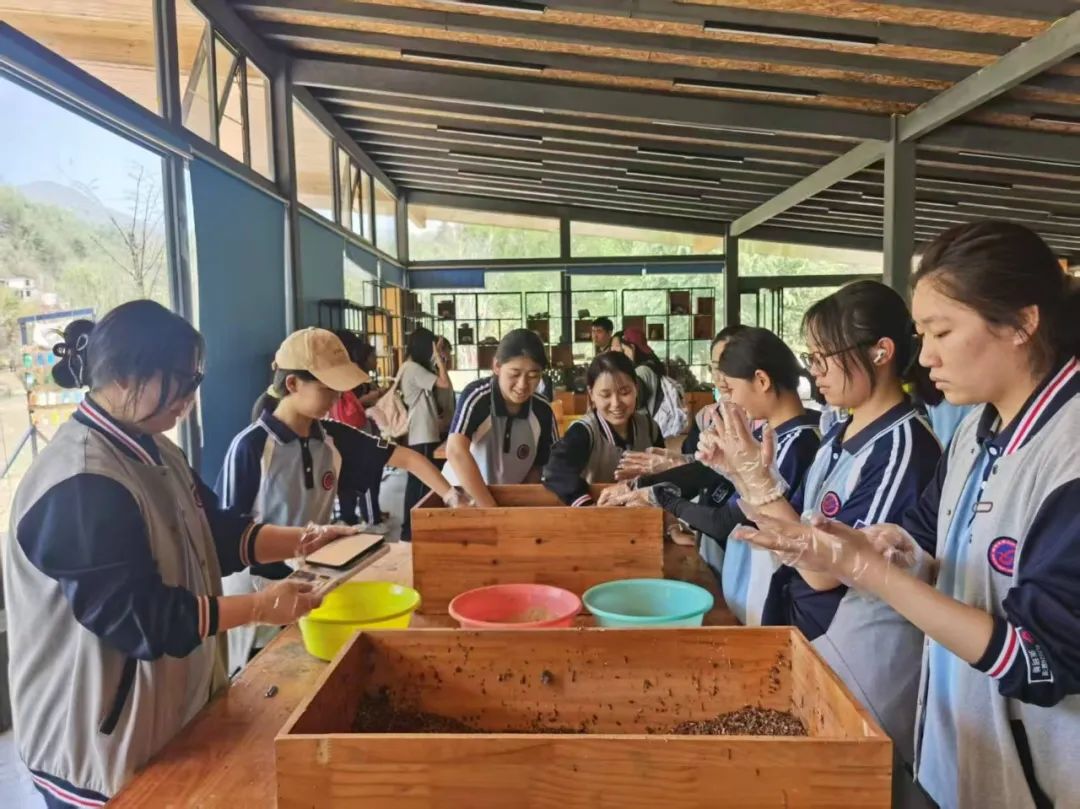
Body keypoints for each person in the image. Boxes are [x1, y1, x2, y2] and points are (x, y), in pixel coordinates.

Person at [732, 221, 1080, 809]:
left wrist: (870, 572)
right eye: (922, 334)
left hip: (1033, 779)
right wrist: (878, 545)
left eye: (942, 332)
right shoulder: (976, 431)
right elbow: (925, 537)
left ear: (1022, 323)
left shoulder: (1067, 455)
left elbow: (1040, 658)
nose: (927, 355)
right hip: (955, 749)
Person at [3, 301, 355, 807]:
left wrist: (304, 539)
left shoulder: (156, 449)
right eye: (180, 381)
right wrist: (260, 607)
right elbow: (141, 619)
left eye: (195, 380)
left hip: (164, 718)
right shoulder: (80, 479)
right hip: (96, 746)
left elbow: (214, 535)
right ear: (124, 377)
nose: (190, 397)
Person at [697, 280, 942, 802]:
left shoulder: (902, 448)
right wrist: (743, 477)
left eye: (824, 358)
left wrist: (758, 485)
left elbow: (824, 570)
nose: (815, 372)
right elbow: (798, 529)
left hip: (858, 658)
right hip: (812, 640)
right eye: (811, 357)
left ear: (880, 352)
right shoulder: (838, 434)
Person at [218, 328, 460, 671]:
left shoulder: (333, 439)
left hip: (311, 584)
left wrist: (452, 496)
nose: (336, 398)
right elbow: (227, 537)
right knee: (260, 673)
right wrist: (253, 605)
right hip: (257, 595)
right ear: (292, 384)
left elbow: (408, 458)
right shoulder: (251, 447)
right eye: (327, 388)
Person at [613, 327, 821, 626]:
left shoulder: (796, 444)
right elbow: (709, 476)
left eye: (731, 390)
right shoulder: (769, 435)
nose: (729, 400)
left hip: (770, 590)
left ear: (762, 381)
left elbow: (728, 521)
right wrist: (645, 485)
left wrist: (664, 499)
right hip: (746, 580)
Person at [445, 329, 559, 507]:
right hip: (465, 499)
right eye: (514, 374)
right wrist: (491, 511)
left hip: (509, 502)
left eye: (533, 376)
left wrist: (519, 503)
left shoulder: (542, 409)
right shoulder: (477, 397)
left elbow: (543, 463)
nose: (522, 385)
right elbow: (456, 451)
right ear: (497, 366)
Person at [543, 351, 664, 506]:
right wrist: (587, 505)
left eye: (625, 392)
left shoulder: (650, 428)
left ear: (636, 388)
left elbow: (665, 475)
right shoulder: (584, 432)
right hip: (595, 514)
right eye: (606, 395)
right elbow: (554, 471)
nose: (616, 403)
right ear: (591, 394)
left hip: (643, 514)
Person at [398, 327, 453, 539]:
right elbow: (444, 383)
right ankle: (411, 531)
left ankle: (410, 530)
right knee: (423, 484)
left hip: (422, 433)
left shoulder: (411, 367)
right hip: (422, 434)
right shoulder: (413, 368)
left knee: (419, 484)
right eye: (432, 347)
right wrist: (439, 359)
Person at [329, 331, 387, 528]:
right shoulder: (351, 377)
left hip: (353, 431)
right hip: (357, 430)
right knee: (366, 475)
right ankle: (369, 518)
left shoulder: (346, 377)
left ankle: (351, 518)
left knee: (351, 477)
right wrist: (373, 398)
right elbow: (354, 406)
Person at [611, 326, 666, 416]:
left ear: (631, 348)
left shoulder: (642, 371)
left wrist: (630, 363)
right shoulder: (649, 366)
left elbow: (634, 401)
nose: (612, 350)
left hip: (644, 422)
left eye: (617, 347)